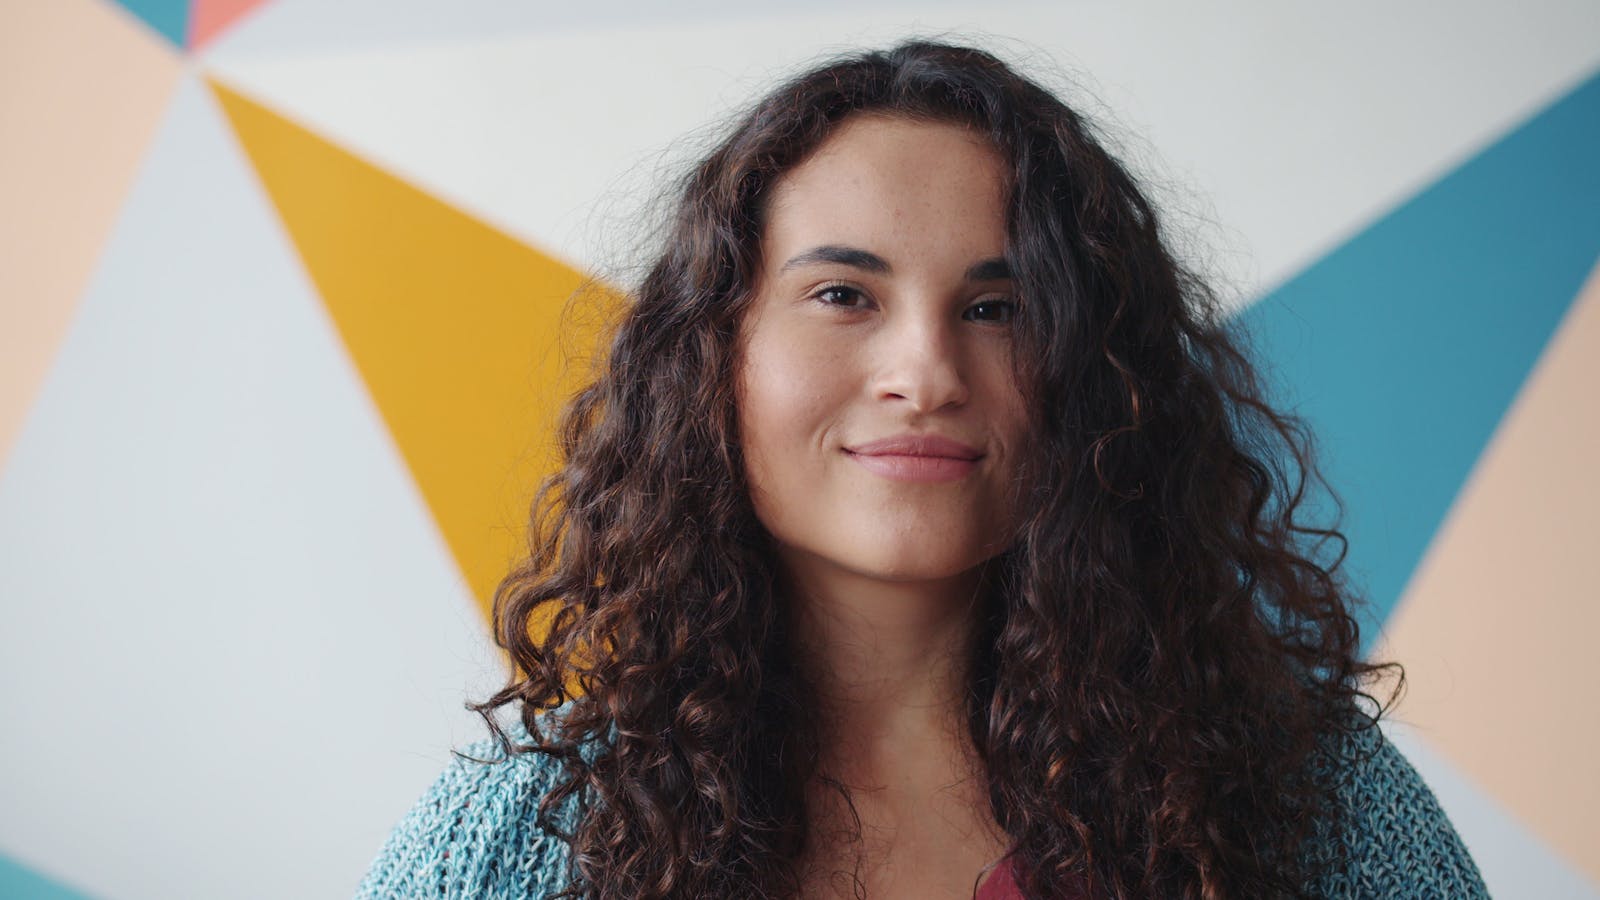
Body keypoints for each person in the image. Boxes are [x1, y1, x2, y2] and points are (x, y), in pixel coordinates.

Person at [356, 39, 1488, 899]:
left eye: (998, 308)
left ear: (1098, 380)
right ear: (713, 356)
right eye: (843, 295)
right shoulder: (528, 831)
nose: (925, 371)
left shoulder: (1315, 811)